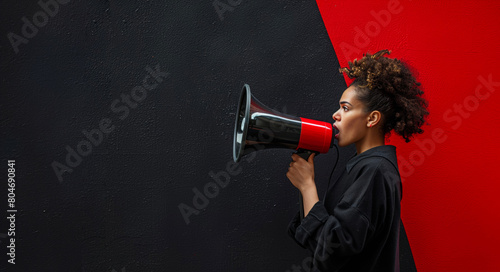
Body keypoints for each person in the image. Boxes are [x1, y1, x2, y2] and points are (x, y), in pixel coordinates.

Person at [286, 50, 428, 272]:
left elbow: (333, 249)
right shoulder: (366, 166)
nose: (335, 115)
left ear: (372, 118)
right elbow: (321, 244)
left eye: (345, 108)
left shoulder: (376, 171)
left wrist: (307, 186)